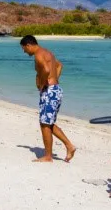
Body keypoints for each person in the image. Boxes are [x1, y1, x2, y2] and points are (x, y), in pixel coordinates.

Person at [19, 35, 76, 163]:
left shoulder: (39, 54)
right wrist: (55, 80)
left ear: (28, 45)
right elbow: (59, 65)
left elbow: (45, 69)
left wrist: (43, 83)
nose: (24, 52)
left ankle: (48, 156)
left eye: (24, 49)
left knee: (45, 124)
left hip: (50, 91)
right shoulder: (46, 52)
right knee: (46, 123)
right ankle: (69, 146)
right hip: (54, 90)